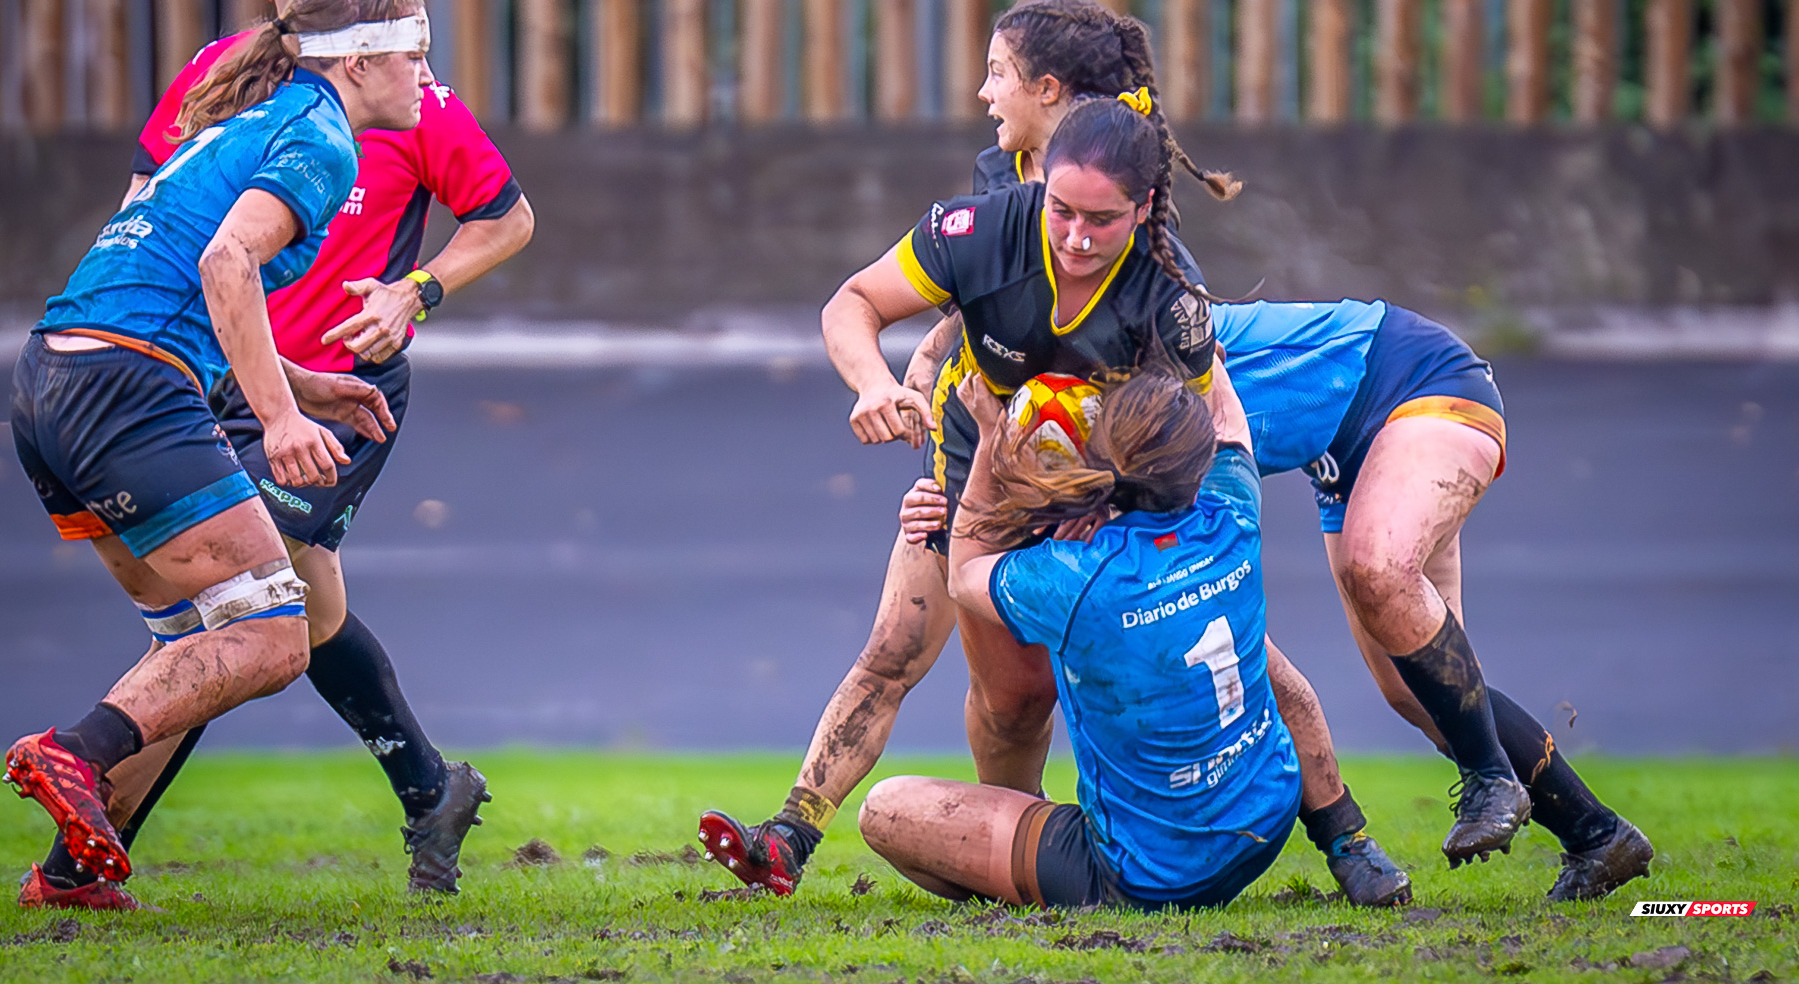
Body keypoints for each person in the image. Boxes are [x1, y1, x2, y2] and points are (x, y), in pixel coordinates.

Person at [701, 59, 1409, 907]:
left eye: (1101, 221)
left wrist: (1117, 521)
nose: (1075, 238)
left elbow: (1186, 442)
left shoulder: (1170, 298)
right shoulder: (981, 231)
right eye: (1061, 212)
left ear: (1142, 210)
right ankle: (791, 837)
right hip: (977, 481)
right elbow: (851, 303)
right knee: (953, 674)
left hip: (1097, 500)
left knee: (1228, 647)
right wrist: (876, 385)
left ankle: (1349, 840)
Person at [18, 0, 534, 909]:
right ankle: (74, 751)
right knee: (270, 632)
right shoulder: (321, 134)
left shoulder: (250, 109)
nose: (428, 78)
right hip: (144, 391)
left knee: (191, 629)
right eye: (415, 56)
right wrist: (287, 413)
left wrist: (309, 383)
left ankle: (73, 877)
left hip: (53, 378)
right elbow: (223, 268)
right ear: (360, 59)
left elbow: (171, 260)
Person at [900, 297, 1655, 900]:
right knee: (1418, 684)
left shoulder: (1126, 364)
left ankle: (1484, 779)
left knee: (1377, 571)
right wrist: (927, 387)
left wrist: (978, 467)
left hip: (1406, 379)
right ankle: (1596, 834)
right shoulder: (1096, 398)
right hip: (1338, 452)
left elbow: (1080, 510)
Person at [862, 362, 1300, 910]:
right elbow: (1229, 420)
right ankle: (1344, 836)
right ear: (1201, 461)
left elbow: (963, 573)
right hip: (1267, 823)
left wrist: (989, 442)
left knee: (887, 809)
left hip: (1150, 874)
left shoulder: (1078, 575)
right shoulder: (1233, 514)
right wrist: (1193, 337)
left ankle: (1044, 873)